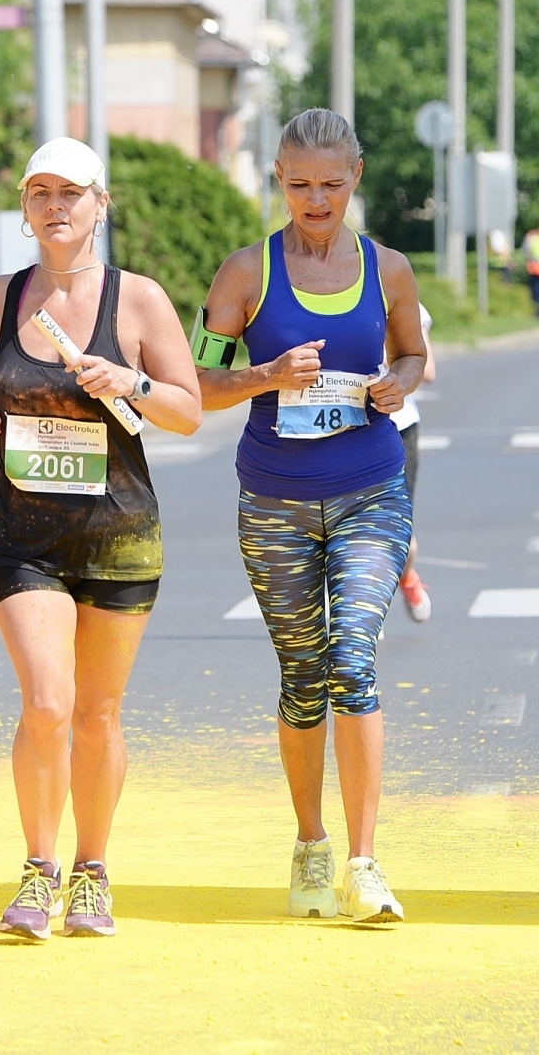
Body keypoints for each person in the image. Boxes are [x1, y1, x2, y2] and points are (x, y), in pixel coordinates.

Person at [0, 137, 201, 941]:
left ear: (102, 204)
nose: (55, 205)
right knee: (47, 702)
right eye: (39, 192)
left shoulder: (138, 301)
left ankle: (92, 871)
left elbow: (186, 410)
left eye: (71, 191)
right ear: (25, 209)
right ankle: (39, 865)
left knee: (98, 712)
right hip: (22, 536)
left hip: (119, 536)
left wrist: (130, 380)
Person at [194, 108, 426, 924]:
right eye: (299, 185)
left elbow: (411, 352)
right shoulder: (244, 274)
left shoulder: (389, 268)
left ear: (355, 176)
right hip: (275, 502)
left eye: (331, 184)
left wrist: (400, 380)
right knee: (302, 676)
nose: (316, 200)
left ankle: (364, 863)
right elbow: (197, 383)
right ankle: (310, 841)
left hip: (370, 488)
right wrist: (267, 373)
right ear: (278, 181)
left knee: (352, 659)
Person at [392, 303, 436, 622]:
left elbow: (428, 370)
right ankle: (363, 616)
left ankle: (407, 577)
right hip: (346, 429)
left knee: (399, 534)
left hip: (398, 426)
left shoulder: (400, 293)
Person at [521, 227, 539, 316]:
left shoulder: (531, 238)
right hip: (535, 268)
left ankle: (536, 309)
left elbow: (525, 251)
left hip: (535, 268)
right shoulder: (532, 237)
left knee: (536, 290)